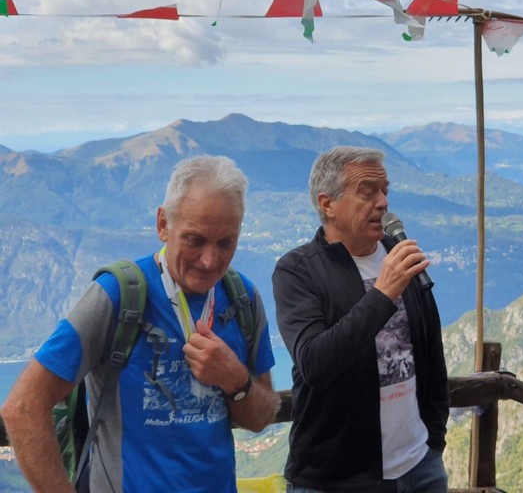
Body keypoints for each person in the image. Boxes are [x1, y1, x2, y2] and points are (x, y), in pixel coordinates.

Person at [1, 155, 281, 493]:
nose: (210, 260)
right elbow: (23, 407)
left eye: (226, 243)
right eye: (195, 239)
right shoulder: (117, 296)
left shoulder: (242, 298)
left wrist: (234, 379)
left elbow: (261, 416)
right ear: (163, 224)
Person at [272, 146, 449, 492]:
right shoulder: (297, 271)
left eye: (385, 191)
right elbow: (315, 363)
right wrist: (382, 295)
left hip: (419, 467)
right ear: (327, 205)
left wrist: (433, 443)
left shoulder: (398, 257)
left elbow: (431, 355)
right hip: (337, 478)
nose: (383, 203)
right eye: (368, 192)